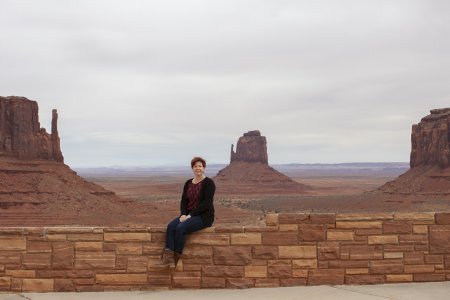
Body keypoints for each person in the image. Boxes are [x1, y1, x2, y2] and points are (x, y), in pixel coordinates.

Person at [155, 156, 215, 268]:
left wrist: (190, 216)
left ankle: (175, 259)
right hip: (187, 215)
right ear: (192, 168)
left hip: (203, 217)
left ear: (204, 168)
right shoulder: (188, 183)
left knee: (181, 228)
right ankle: (168, 258)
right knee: (171, 226)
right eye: (196, 166)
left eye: (200, 166)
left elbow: (206, 204)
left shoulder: (209, 183)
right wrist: (183, 214)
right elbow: (183, 201)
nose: (198, 168)